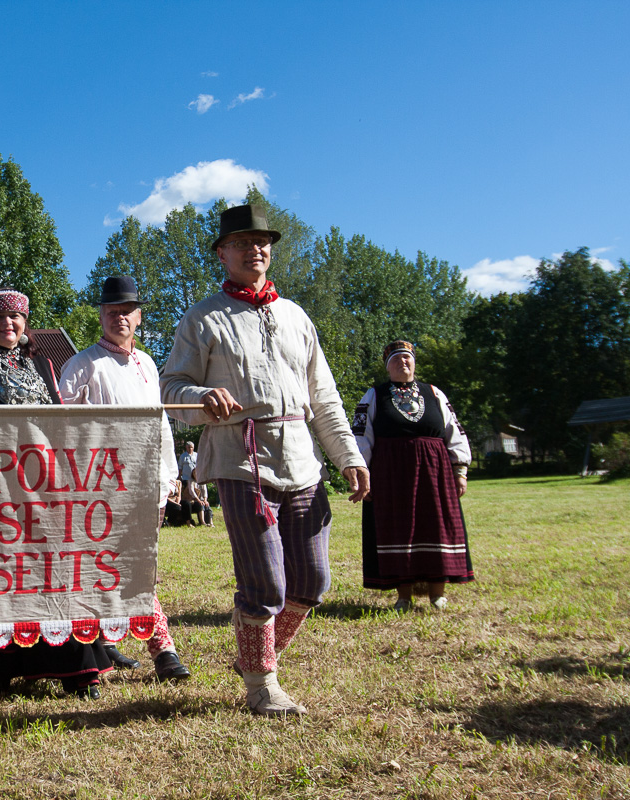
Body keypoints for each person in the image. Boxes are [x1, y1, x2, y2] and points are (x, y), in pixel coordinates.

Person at [160, 204, 369, 717]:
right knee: (265, 582)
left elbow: (324, 397)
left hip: (302, 458)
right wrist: (202, 394)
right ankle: (261, 684)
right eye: (243, 242)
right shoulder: (203, 317)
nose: (257, 248)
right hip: (240, 458)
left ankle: (259, 653)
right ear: (222, 253)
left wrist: (347, 456)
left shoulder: (296, 315)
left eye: (263, 241)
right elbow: (170, 388)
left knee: (313, 581)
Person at [0, 288, 113, 700]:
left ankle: (73, 669)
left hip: (46, 491)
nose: (8, 325)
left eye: (15, 318)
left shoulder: (44, 367)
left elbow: (63, 429)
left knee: (51, 576)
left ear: (25, 322)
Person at [58, 275, 192, 682]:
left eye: (127, 311)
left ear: (139, 317)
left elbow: (161, 422)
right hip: (97, 486)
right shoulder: (82, 366)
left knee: (140, 566)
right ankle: (163, 651)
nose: (120, 317)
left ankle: (105, 642)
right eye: (112, 311)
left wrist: (169, 473)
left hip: (146, 479)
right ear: (101, 316)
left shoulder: (149, 364)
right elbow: (60, 428)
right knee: (111, 567)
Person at [353, 340, 473, 611]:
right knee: (398, 528)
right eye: (396, 359)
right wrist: (363, 473)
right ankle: (403, 597)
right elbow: (361, 436)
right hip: (390, 473)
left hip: (435, 472)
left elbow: (454, 430)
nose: (403, 362)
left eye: (407, 358)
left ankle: (437, 595)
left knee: (436, 526)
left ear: (414, 363)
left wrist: (461, 470)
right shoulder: (374, 395)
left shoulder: (434, 393)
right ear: (388, 367)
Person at [178, 441, 199, 525]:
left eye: (191, 447)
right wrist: (179, 477)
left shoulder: (196, 455)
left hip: (195, 479)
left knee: (196, 494)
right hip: (186, 478)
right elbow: (180, 467)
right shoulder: (183, 456)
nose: (190, 449)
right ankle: (186, 517)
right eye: (188, 447)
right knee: (187, 496)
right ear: (186, 448)